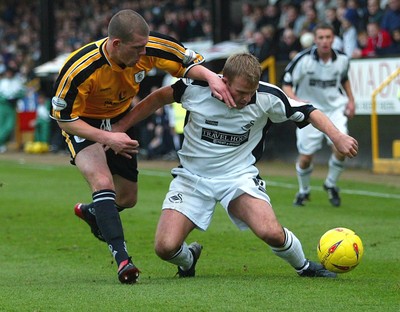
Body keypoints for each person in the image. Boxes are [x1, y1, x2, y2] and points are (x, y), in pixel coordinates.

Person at [112, 53, 358, 279]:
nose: (245, 99)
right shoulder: (196, 89)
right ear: (224, 80)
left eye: (250, 92)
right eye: (240, 92)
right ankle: (188, 261)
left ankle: (304, 266)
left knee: (271, 232)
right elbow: (157, 99)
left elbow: (309, 111)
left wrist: (337, 137)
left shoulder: (267, 97)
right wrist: (120, 128)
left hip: (238, 177)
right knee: (165, 248)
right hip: (191, 178)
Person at [50, 9, 234, 284]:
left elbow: (187, 63)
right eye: (136, 49)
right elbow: (65, 120)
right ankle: (123, 260)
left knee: (127, 198)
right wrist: (107, 138)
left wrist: (210, 77)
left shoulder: (148, 47)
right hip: (84, 123)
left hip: (121, 118)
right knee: (103, 183)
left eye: (144, 47)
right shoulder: (80, 69)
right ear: (116, 44)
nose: (142, 55)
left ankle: (92, 212)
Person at [281, 23, 356, 207]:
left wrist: (351, 100)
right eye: (321, 37)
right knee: (306, 158)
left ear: (333, 39)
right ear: (315, 40)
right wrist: (298, 101)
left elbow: (344, 79)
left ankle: (330, 184)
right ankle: (303, 191)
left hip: (334, 109)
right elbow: (286, 85)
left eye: (328, 37)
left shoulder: (342, 59)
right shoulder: (302, 59)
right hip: (309, 112)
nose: (325, 41)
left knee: (341, 148)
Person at [0, 63, 26, 153]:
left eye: (10, 72)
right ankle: (2, 144)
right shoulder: (2, 82)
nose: (8, 74)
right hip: (2, 107)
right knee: (2, 126)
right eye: (7, 72)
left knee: (9, 127)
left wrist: (16, 98)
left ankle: (2, 143)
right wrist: (4, 99)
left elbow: (22, 92)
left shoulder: (17, 82)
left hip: (12, 107)